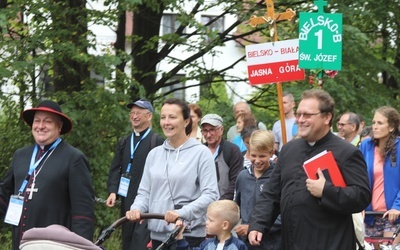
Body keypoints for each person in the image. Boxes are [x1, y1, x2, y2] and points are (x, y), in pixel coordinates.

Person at [248, 89, 371, 249]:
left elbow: (361, 197)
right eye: (298, 114)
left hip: (329, 243)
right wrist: (258, 224)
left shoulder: (346, 152)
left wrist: (326, 191)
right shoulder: (289, 149)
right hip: (292, 242)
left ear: (327, 117)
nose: (300, 120)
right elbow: (271, 193)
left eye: (307, 115)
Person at [0, 100, 95, 250]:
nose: (41, 126)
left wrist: (80, 246)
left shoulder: (73, 158)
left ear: (59, 126)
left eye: (47, 121)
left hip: (55, 244)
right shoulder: (21, 155)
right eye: (37, 121)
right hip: (21, 243)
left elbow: (83, 213)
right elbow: (3, 194)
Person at [126, 98, 219, 250]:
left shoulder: (201, 153)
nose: (166, 122)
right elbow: (144, 193)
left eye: (172, 117)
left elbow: (211, 195)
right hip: (157, 236)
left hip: (189, 236)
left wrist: (181, 213)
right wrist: (136, 209)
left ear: (186, 121)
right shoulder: (154, 154)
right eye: (163, 117)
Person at [106, 99, 164, 250]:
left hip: (147, 202)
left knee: (141, 242)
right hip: (126, 198)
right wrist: (113, 191)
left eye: (139, 113)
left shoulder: (156, 141)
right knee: (127, 239)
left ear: (149, 116)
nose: (135, 116)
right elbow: (115, 168)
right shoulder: (125, 141)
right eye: (132, 113)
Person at [359, 106, 400, 247]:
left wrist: (397, 206)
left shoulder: (399, 147)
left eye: (380, 123)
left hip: (393, 215)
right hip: (369, 214)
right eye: (374, 122)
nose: (374, 127)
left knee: (389, 248)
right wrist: (358, 203)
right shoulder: (365, 146)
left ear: (391, 127)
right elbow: (358, 177)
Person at [234, 130, 281, 250]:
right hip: (245, 244)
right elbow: (237, 207)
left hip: (272, 243)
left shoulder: (278, 178)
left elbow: (283, 214)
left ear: (271, 153)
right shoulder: (243, 177)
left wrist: (253, 227)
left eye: (262, 156)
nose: (257, 160)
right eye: (253, 155)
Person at [201, 114, 243, 200]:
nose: (208, 135)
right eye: (205, 131)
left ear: (221, 130)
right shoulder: (199, 152)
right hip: (202, 205)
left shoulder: (232, 150)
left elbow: (236, 180)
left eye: (212, 130)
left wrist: (222, 202)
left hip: (226, 205)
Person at [175, 200, 247, 250]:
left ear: (225, 225)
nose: (206, 222)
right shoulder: (207, 244)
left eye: (211, 220)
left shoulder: (238, 246)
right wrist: (180, 237)